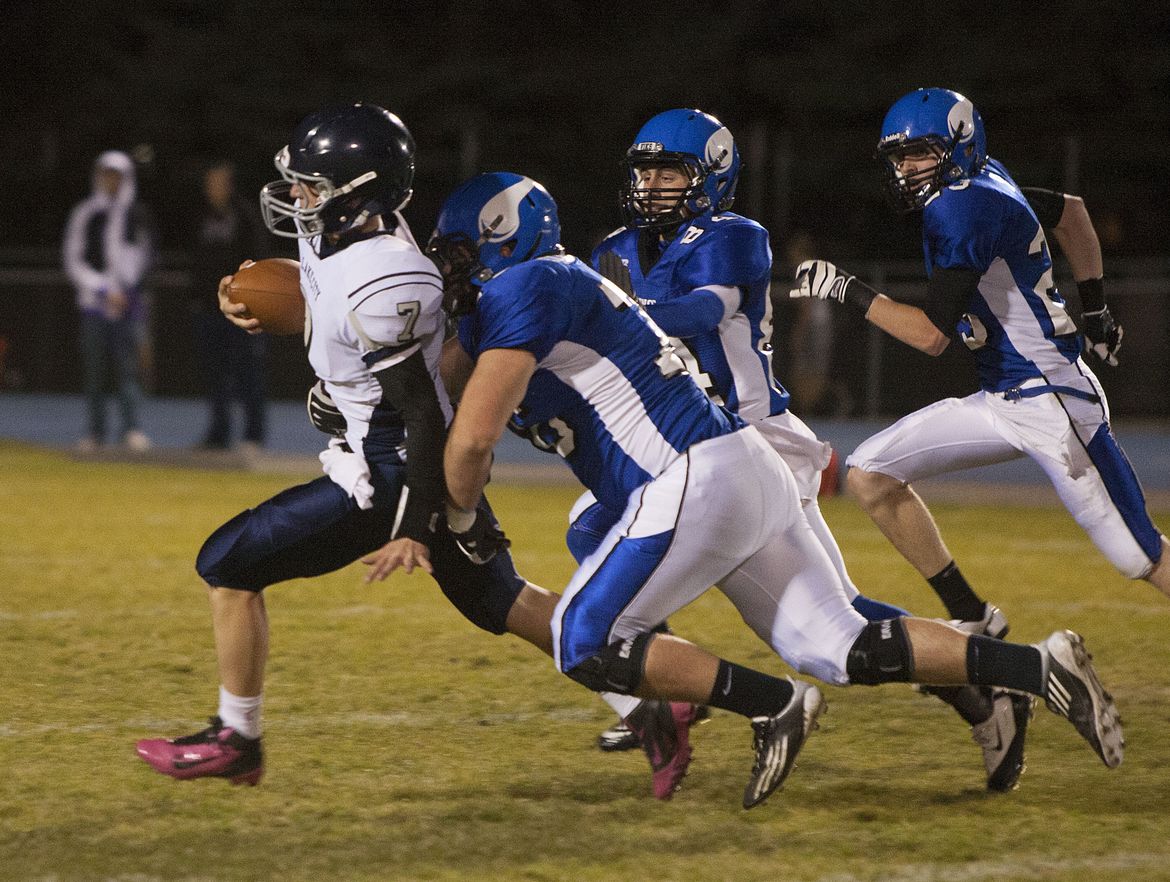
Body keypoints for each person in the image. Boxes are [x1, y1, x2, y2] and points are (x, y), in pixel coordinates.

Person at [432, 170, 1124, 809]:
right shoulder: (535, 292)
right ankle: (1038, 668)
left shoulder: (536, 283)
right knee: (841, 642)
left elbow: (471, 438)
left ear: (502, 238)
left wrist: (459, 518)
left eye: (460, 254)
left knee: (583, 639)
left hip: (692, 475)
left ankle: (771, 705)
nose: (452, 271)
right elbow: (453, 379)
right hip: (730, 470)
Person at [134, 104, 672, 798]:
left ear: (358, 196)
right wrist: (248, 298)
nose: (298, 198)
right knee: (501, 600)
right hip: (410, 462)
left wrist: (416, 524)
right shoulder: (344, 234)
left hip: (390, 476)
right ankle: (653, 706)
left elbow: (418, 413)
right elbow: (321, 302)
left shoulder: (387, 272)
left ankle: (236, 738)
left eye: (312, 187)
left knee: (227, 562)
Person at [577, 108, 1032, 792]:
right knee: (596, 528)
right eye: (645, 171)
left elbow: (704, 312)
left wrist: (605, 313)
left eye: (670, 171)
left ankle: (988, 676)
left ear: (712, 176)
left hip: (754, 440)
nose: (652, 184)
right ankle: (664, 681)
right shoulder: (614, 248)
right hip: (680, 444)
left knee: (826, 626)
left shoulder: (733, 236)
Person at [788, 88, 1169, 624]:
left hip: (1052, 400)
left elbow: (930, 337)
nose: (906, 169)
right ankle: (973, 616)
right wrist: (1096, 313)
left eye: (919, 153)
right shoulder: (987, 182)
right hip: (1004, 398)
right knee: (870, 473)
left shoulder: (963, 207)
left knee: (1143, 555)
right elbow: (1074, 216)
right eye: (899, 157)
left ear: (959, 145)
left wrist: (849, 290)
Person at [62, 150, 155, 452]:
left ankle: (131, 428)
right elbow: (73, 259)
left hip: (127, 307)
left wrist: (128, 292)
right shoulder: (86, 213)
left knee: (129, 372)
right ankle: (95, 431)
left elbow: (145, 256)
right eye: (107, 174)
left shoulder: (136, 214)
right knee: (95, 373)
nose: (112, 181)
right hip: (94, 307)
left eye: (117, 175)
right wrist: (103, 289)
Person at [189, 161, 270, 451]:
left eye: (220, 183)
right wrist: (198, 300)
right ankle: (218, 434)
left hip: (241, 310)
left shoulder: (246, 217)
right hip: (209, 310)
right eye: (211, 183)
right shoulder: (200, 216)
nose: (214, 189)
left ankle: (253, 435)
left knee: (248, 374)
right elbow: (196, 262)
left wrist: (251, 303)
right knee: (215, 376)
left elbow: (258, 262)